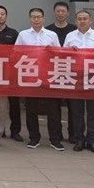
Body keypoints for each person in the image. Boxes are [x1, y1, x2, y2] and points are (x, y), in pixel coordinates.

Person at [15, 8, 63, 150]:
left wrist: (51, 50)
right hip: (31, 75)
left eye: (39, 17)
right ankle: (34, 138)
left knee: (53, 109)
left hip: (49, 76)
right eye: (33, 17)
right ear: (30, 19)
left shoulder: (52, 35)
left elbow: (60, 54)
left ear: (43, 18)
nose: (36, 19)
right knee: (31, 108)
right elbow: (15, 53)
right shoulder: (23, 35)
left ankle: (55, 139)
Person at [64, 10, 94, 154]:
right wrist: (70, 51)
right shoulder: (70, 36)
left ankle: (92, 140)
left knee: (93, 111)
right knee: (76, 111)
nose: (82, 21)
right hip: (76, 78)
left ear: (91, 20)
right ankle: (79, 139)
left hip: (93, 77)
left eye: (85, 19)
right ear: (75, 21)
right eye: (79, 19)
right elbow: (62, 56)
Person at [46, 1, 77, 143]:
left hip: (71, 72)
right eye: (58, 11)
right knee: (53, 106)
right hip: (53, 72)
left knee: (73, 106)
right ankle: (56, 135)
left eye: (63, 11)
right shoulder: (48, 31)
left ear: (68, 13)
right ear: (54, 12)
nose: (60, 14)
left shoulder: (74, 30)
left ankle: (73, 134)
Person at [0, 5, 22, 141]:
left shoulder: (14, 33)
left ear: (6, 16)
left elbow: (19, 51)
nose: (0, 16)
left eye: (2, 14)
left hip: (11, 72)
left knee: (14, 103)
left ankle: (15, 131)